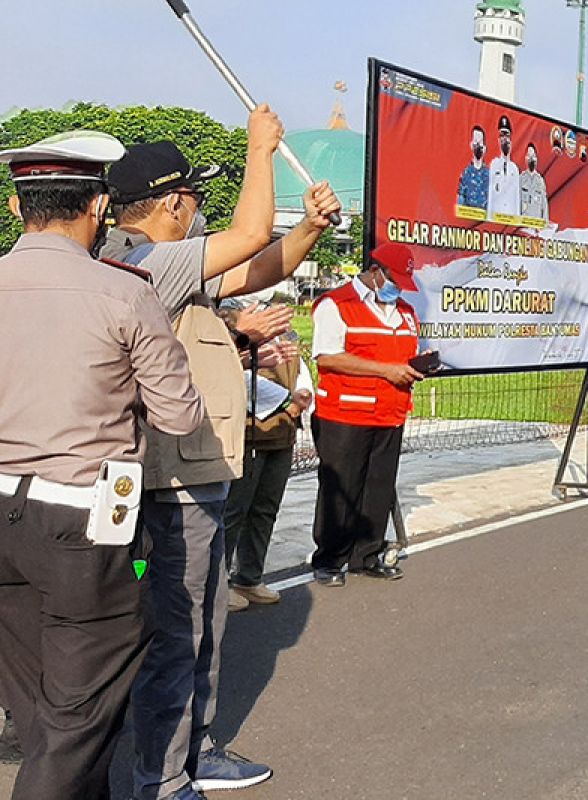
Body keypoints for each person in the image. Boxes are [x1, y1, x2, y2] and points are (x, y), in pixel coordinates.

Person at [102, 105, 342, 800]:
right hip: (168, 486)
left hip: (188, 477)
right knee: (176, 632)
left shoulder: (162, 264)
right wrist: (260, 151)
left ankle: (191, 752)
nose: (200, 208)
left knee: (195, 626)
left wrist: (308, 228)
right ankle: (162, 776)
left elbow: (256, 264)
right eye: (196, 196)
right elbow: (245, 236)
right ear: (172, 203)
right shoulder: (147, 259)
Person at [0, 131, 204, 800]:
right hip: (89, 521)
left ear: (14, 206)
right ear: (96, 207)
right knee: (80, 710)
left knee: (40, 704)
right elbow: (179, 417)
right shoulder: (123, 292)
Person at [309, 242, 426, 586]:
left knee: (378, 486)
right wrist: (385, 370)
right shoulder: (337, 304)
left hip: (390, 412)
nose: (399, 288)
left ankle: (367, 553)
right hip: (345, 413)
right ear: (376, 272)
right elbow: (327, 356)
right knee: (341, 486)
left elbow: (405, 352)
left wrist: (418, 364)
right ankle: (330, 559)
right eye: (395, 279)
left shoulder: (404, 311)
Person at [222, 308, 314, 612]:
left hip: (283, 434)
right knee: (234, 511)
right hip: (249, 434)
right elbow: (231, 376)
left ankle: (249, 576)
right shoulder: (234, 327)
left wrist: (301, 395)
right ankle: (219, 583)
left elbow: (300, 372)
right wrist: (284, 402)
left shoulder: (288, 334)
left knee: (265, 510)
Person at [487, 115, 520, 221]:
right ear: (498, 139)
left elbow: (517, 198)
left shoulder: (514, 169)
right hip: (496, 218)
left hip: (510, 219)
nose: (504, 139)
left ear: (511, 140)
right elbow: (490, 195)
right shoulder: (494, 164)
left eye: (507, 135)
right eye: (502, 135)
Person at [456, 125, 488, 214]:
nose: (477, 146)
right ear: (471, 145)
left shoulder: (490, 175)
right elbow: (460, 205)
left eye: (480, 143)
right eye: (475, 142)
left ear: (484, 148)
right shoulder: (465, 174)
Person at [519, 142, 548, 223]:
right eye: (529, 156)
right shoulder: (520, 179)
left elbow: (544, 206)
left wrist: (544, 226)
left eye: (534, 156)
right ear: (525, 158)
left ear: (537, 159)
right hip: (523, 226)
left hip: (536, 227)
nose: (531, 159)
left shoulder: (540, 181)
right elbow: (516, 203)